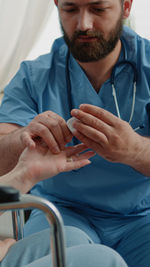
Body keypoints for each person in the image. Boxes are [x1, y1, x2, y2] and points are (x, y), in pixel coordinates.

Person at [0, 0, 149, 266]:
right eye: (70, 9)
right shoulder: (33, 77)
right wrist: (24, 139)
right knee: (72, 249)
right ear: (56, 5)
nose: (83, 24)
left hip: (141, 218)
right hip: (61, 211)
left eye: (98, 9)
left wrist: (135, 150)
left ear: (126, 6)